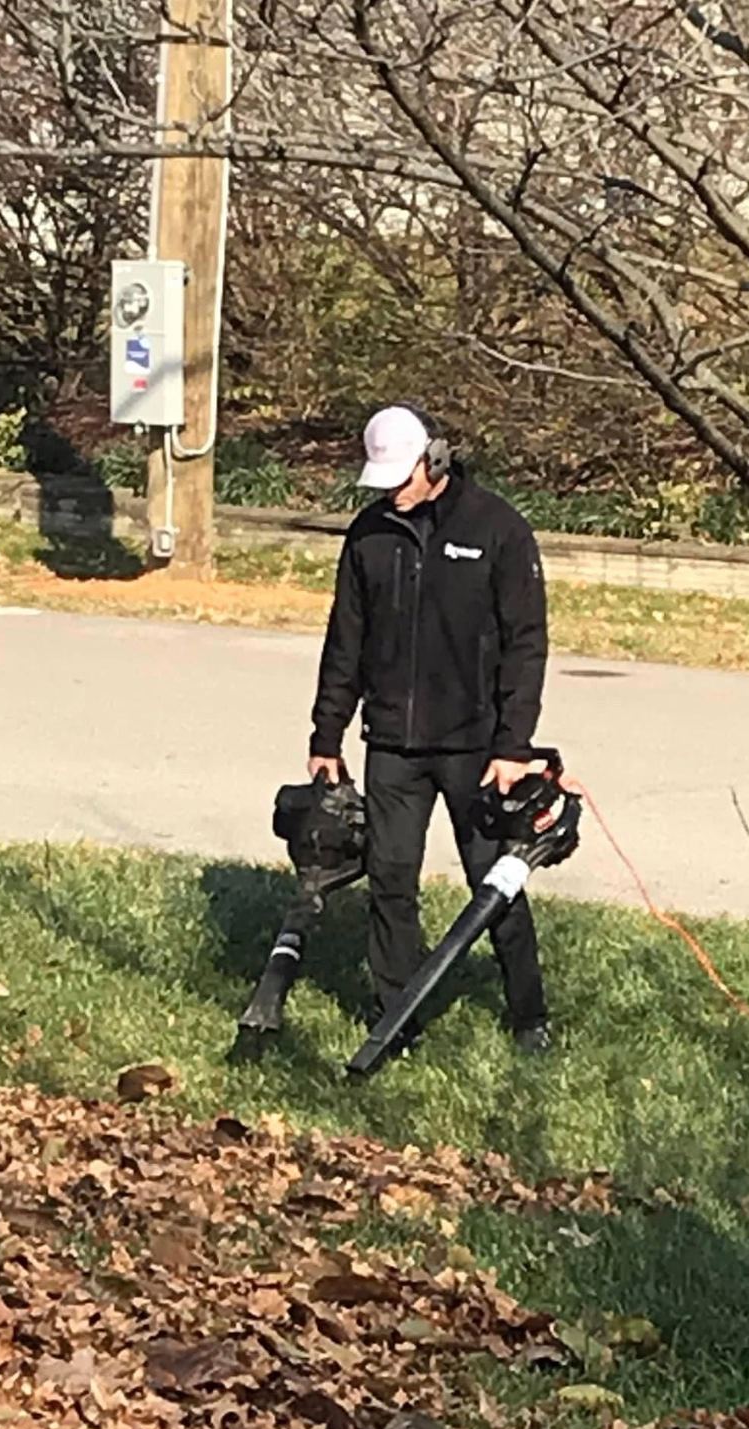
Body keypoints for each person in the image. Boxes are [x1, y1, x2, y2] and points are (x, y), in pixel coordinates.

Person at [307, 402, 553, 1054]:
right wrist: (326, 735)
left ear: (436, 460)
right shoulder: (369, 535)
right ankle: (398, 1020)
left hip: (478, 748)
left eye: (402, 476)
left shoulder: (498, 530)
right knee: (390, 880)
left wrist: (513, 745)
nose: (392, 491)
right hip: (392, 743)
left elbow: (526, 645)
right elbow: (345, 641)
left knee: (495, 883)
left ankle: (530, 1016)